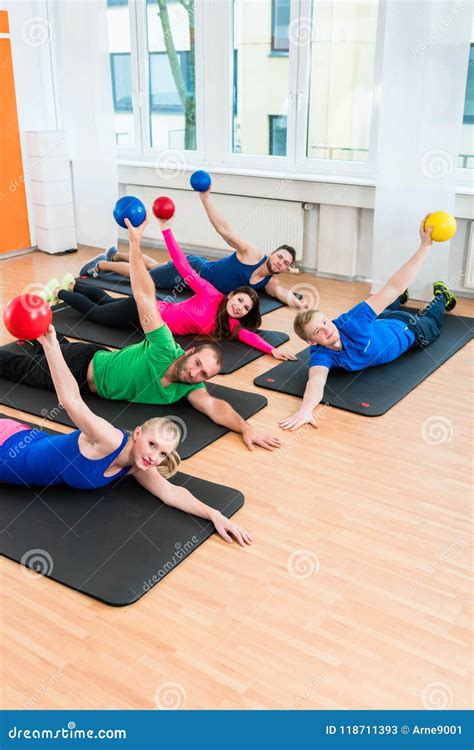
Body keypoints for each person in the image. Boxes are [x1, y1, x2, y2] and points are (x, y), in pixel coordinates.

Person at [0, 220, 281, 453]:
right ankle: (51, 314)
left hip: (93, 357)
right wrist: (134, 244)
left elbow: (215, 407)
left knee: (54, 347)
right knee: (13, 370)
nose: (197, 374)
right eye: (198, 364)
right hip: (78, 369)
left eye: (204, 374)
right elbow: (144, 294)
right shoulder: (164, 347)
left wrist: (246, 428)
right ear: (188, 353)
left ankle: (38, 337)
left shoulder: (189, 388)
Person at [0, 325, 252, 546]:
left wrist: (215, 515)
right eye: (153, 444)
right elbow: (70, 400)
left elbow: (172, 493)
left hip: (22, 439)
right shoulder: (108, 439)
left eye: (162, 453)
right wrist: (51, 345)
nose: (154, 456)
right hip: (6, 445)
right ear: (138, 432)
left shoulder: (137, 466)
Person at [280, 216, 457, 431]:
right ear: (311, 342)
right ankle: (398, 302)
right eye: (319, 330)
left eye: (325, 321)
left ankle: (442, 297)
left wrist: (425, 246)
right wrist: (305, 410)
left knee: (432, 318)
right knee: (384, 307)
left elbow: (392, 286)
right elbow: (315, 382)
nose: (328, 329)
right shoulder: (321, 354)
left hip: (412, 329)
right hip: (385, 321)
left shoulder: (350, 322)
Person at [47, 217, 296, 362]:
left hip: (150, 321)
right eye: (240, 300)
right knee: (98, 314)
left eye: (245, 308)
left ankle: (76, 284)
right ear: (231, 294)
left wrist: (273, 351)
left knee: (106, 305)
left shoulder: (232, 326)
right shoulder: (212, 294)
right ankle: (61, 291)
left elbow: (250, 337)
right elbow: (183, 266)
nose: (239, 307)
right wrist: (166, 230)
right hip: (146, 311)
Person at [79, 188, 308, 310]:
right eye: (280, 256)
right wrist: (205, 199)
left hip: (193, 275)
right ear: (273, 252)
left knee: (160, 268)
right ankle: (101, 264)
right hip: (191, 272)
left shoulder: (270, 282)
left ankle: (116, 253)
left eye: (285, 263)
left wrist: (300, 304)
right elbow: (224, 230)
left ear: (286, 268)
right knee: (145, 278)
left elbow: (284, 295)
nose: (280, 262)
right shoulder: (253, 254)